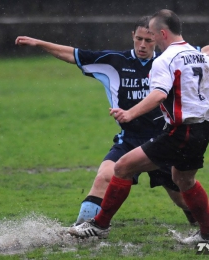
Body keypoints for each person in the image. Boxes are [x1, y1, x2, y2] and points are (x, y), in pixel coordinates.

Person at [15, 16, 196, 228]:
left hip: (163, 141)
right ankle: (82, 229)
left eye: (148, 40)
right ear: (132, 36)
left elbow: (200, 54)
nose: (143, 45)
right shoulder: (114, 61)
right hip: (130, 140)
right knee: (104, 178)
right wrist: (39, 43)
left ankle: (201, 226)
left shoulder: (168, 60)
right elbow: (73, 55)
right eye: (139, 39)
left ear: (157, 38)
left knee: (182, 197)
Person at [67, 9, 209, 244]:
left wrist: (129, 113)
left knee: (122, 167)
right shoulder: (197, 54)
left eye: (152, 34)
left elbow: (158, 96)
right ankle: (206, 234)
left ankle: (100, 226)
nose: (149, 40)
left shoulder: (164, 60)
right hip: (202, 129)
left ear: (162, 33)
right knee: (183, 180)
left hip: (180, 131)